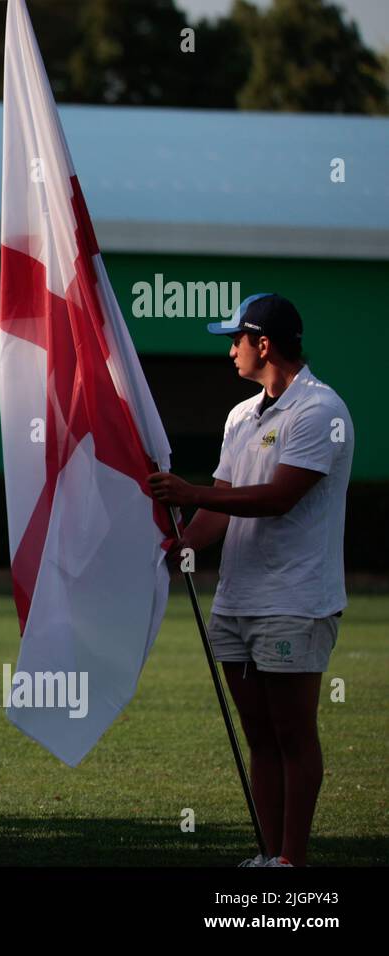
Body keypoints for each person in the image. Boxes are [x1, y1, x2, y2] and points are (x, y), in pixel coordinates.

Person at [148, 293, 353, 868]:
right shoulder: (241, 415)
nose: (230, 351)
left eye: (234, 339)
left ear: (263, 343)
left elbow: (280, 497)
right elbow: (221, 508)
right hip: (237, 599)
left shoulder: (321, 411)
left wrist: (192, 494)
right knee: (259, 738)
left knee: (293, 735)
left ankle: (291, 861)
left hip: (295, 598)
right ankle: (268, 856)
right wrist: (183, 541)